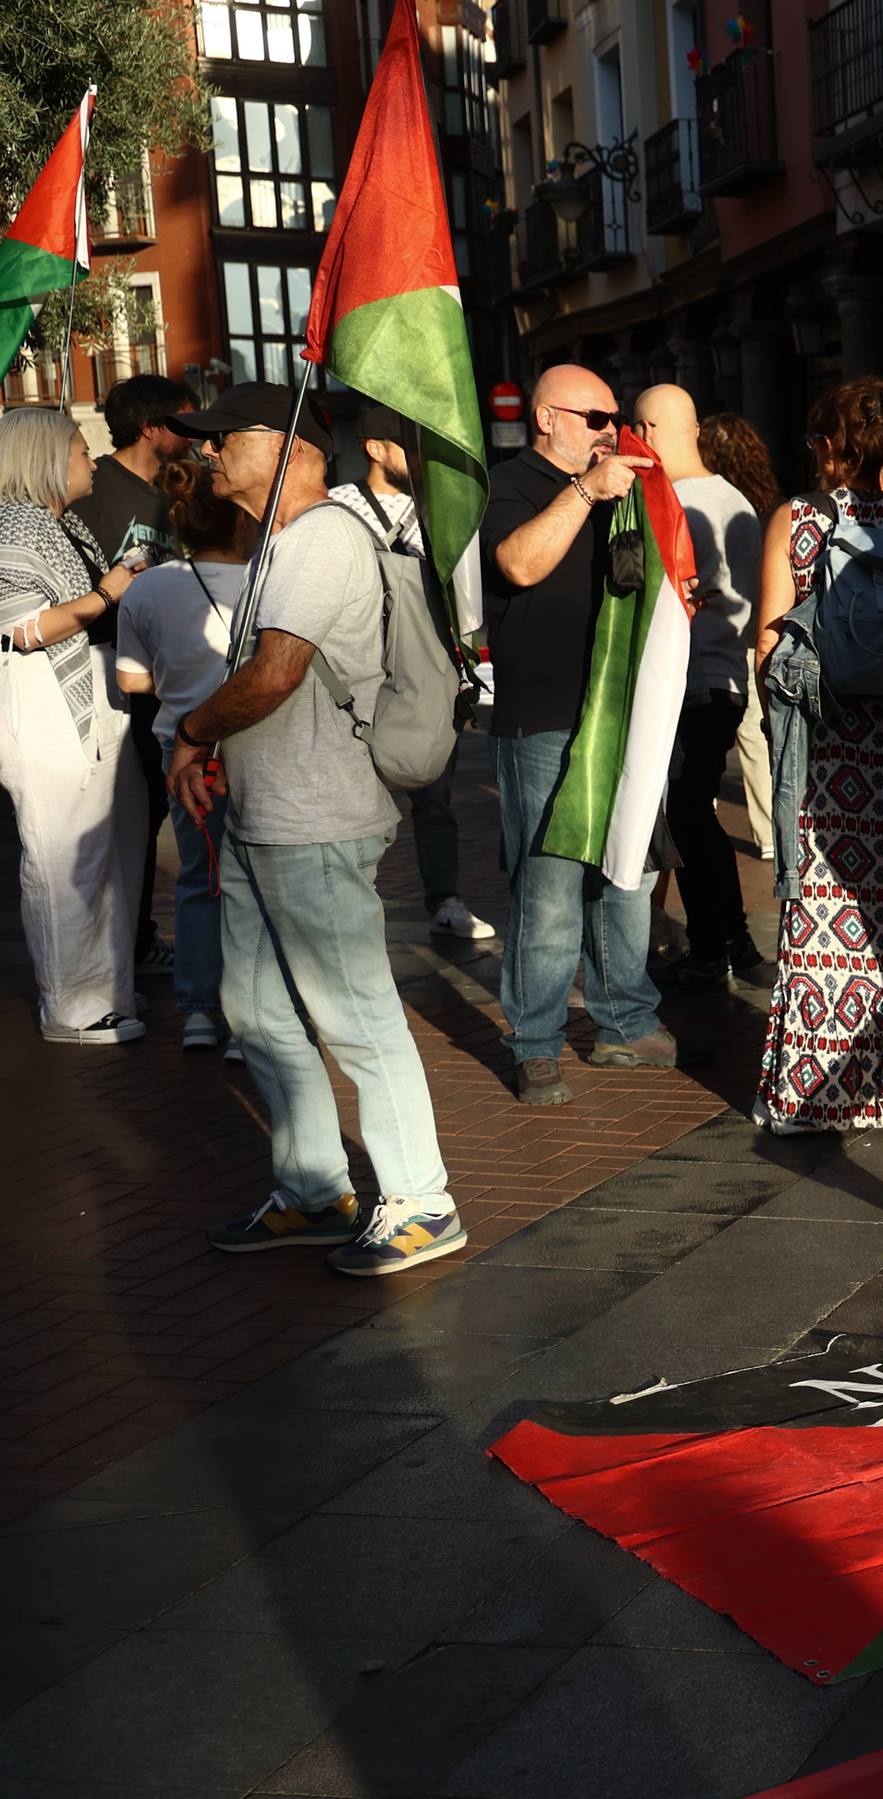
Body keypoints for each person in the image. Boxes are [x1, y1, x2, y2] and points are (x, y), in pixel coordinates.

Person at [162, 383, 462, 1276]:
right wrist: (219, 753)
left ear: (293, 449)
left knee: (355, 1012)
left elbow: (275, 675)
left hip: (317, 818)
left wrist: (190, 732)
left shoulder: (324, 538)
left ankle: (422, 1200)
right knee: (254, 1009)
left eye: (226, 440)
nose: (210, 454)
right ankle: (314, 1193)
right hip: (266, 815)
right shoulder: (280, 542)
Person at [746, 378, 883, 1134]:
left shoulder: (796, 521)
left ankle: (807, 1099)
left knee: (823, 919)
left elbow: (771, 648)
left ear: (829, 447)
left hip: (827, 755)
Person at [481, 364, 680, 1105]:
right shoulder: (511, 484)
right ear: (546, 418)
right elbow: (518, 564)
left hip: (622, 711)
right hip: (544, 714)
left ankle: (624, 1021)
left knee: (628, 871)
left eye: (613, 416)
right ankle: (534, 1042)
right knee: (549, 886)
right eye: (595, 417)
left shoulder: (618, 488)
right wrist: (584, 492)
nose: (609, 430)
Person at [0, 409, 147, 1043]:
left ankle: (107, 990)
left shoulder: (67, 527)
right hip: (44, 701)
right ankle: (70, 1007)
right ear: (45, 460)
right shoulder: (12, 529)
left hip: (97, 694)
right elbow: (20, 630)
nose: (92, 460)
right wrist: (111, 591)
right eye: (81, 451)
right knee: (63, 853)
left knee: (116, 846)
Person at [329, 403, 495, 945]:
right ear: (375, 449)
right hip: (355, 677)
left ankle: (444, 897)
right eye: (407, 446)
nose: (419, 458)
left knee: (434, 793)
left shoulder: (440, 511)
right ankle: (353, 901)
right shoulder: (336, 509)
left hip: (423, 672)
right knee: (353, 797)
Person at [630, 384, 769, 994]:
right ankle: (727, 940)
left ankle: (720, 943)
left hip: (689, 682)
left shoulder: (674, 501)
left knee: (688, 814)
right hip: (725, 676)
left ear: (650, 429)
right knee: (693, 813)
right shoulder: (731, 496)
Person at [114, 461, 255, 1053]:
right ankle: (251, 1020)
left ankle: (198, 1010)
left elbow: (131, 681)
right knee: (255, 884)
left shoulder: (147, 587)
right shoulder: (266, 577)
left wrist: (181, 678)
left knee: (200, 880)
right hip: (256, 744)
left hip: (183, 749)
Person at [76, 373, 193, 976]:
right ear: (152, 428)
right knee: (114, 818)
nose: (195, 435)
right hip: (103, 678)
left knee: (149, 815)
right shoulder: (92, 489)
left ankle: (139, 938)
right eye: (184, 422)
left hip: (162, 681)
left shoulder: (182, 491)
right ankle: (111, 949)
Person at [701, 411, 782, 864]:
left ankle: (702, 808)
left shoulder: (704, 502)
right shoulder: (768, 504)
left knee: (702, 727)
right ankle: (768, 829)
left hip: (712, 630)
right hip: (756, 628)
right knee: (753, 733)